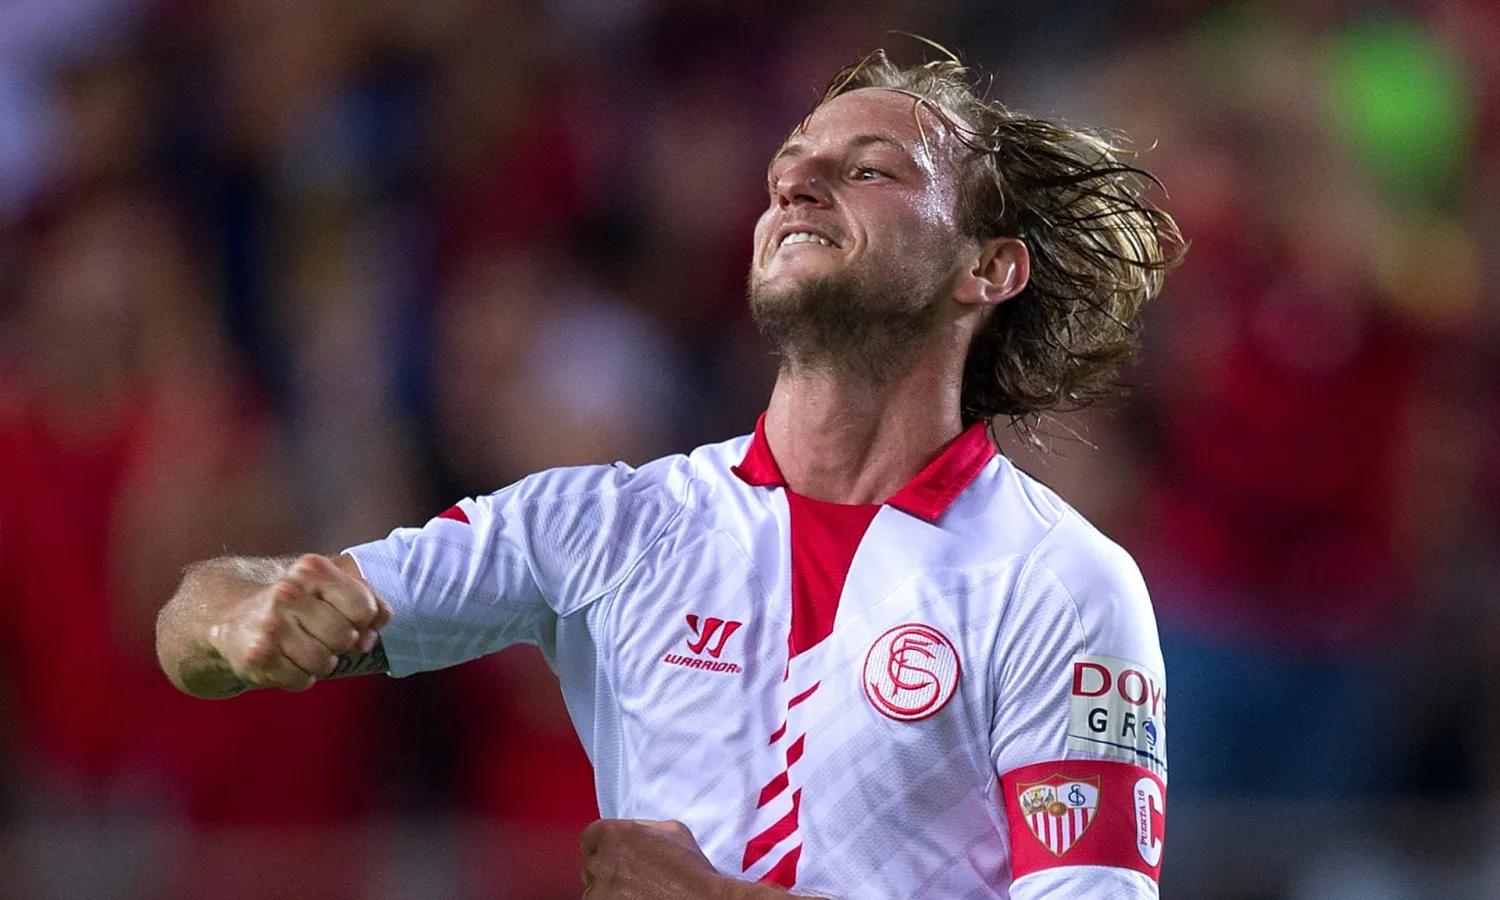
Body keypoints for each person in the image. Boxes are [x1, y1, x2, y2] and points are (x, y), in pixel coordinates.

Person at [155, 49, 1182, 900]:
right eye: (789, 162)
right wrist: (244, 618)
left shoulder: (1059, 581)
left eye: (870, 168)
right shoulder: (610, 526)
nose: (796, 182)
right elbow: (197, 619)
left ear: (988, 268)